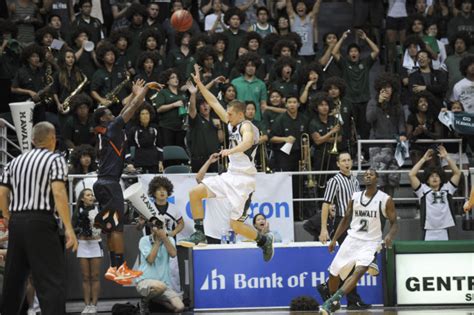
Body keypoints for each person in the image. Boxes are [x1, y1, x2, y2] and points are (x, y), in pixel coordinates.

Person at [179, 64, 274, 262]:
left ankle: (264, 241)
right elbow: (213, 102)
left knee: (236, 226)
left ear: (240, 114)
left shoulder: (248, 126)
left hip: (243, 182)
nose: (226, 117)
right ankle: (199, 232)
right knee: (194, 193)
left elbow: (247, 142)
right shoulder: (233, 123)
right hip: (230, 175)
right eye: (227, 114)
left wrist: (230, 150)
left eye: (230, 114)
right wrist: (200, 84)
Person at [0, 121, 78, 314]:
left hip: (17, 222)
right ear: (53, 139)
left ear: (33, 140)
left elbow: (2, 193)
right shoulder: (55, 159)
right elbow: (59, 192)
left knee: (14, 278)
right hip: (41, 221)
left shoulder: (15, 161)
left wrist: (7, 216)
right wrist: (68, 227)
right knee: (51, 280)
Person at [92, 79, 160, 285]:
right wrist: (145, 90)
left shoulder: (106, 131)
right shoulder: (112, 127)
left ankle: (114, 268)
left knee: (111, 228)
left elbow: (126, 108)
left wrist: (134, 93)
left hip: (102, 183)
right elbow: (130, 109)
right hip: (111, 184)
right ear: (105, 119)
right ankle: (120, 268)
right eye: (110, 113)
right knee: (118, 228)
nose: (114, 114)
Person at [319, 169, 398, 315]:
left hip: (371, 242)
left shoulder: (385, 199)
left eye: (371, 174)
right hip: (352, 239)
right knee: (334, 273)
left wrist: (389, 236)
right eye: (366, 174)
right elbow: (345, 219)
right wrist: (334, 239)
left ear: (377, 178)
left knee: (359, 271)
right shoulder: (355, 197)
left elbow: (394, 223)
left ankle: (333, 300)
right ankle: (332, 298)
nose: (367, 175)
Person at [317, 152, 371, 310]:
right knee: (351, 262)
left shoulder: (354, 179)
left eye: (349, 160)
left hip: (355, 223)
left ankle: (328, 288)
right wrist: (323, 229)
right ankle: (352, 300)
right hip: (342, 222)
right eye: (343, 160)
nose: (347, 163)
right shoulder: (334, 181)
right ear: (338, 164)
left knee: (352, 263)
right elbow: (326, 204)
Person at [408, 146, 461, 240]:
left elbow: (457, 173)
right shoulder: (423, 190)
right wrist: (423, 159)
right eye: (431, 176)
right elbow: (411, 174)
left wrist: (447, 157)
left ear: (441, 179)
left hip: (444, 229)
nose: (435, 178)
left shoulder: (448, 189)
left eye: (437, 176)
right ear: (427, 180)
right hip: (428, 230)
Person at [135, 218, 185, 314]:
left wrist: (164, 238)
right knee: (160, 286)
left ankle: (157, 300)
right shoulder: (144, 240)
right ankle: (144, 302)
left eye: (160, 226)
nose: (158, 229)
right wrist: (157, 241)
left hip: (164, 284)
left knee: (180, 307)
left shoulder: (169, 240)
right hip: (144, 282)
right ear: (150, 228)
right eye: (155, 226)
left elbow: (173, 254)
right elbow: (150, 260)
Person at [72, 188, 102, 314]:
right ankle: (87, 305)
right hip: (83, 245)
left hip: (96, 244)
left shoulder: (98, 209)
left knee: (94, 276)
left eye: (92, 195)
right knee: (85, 277)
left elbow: (104, 225)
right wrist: (82, 232)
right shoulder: (77, 212)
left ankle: (94, 305)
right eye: (88, 195)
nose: (91, 197)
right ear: (82, 198)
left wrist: (98, 230)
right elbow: (73, 228)